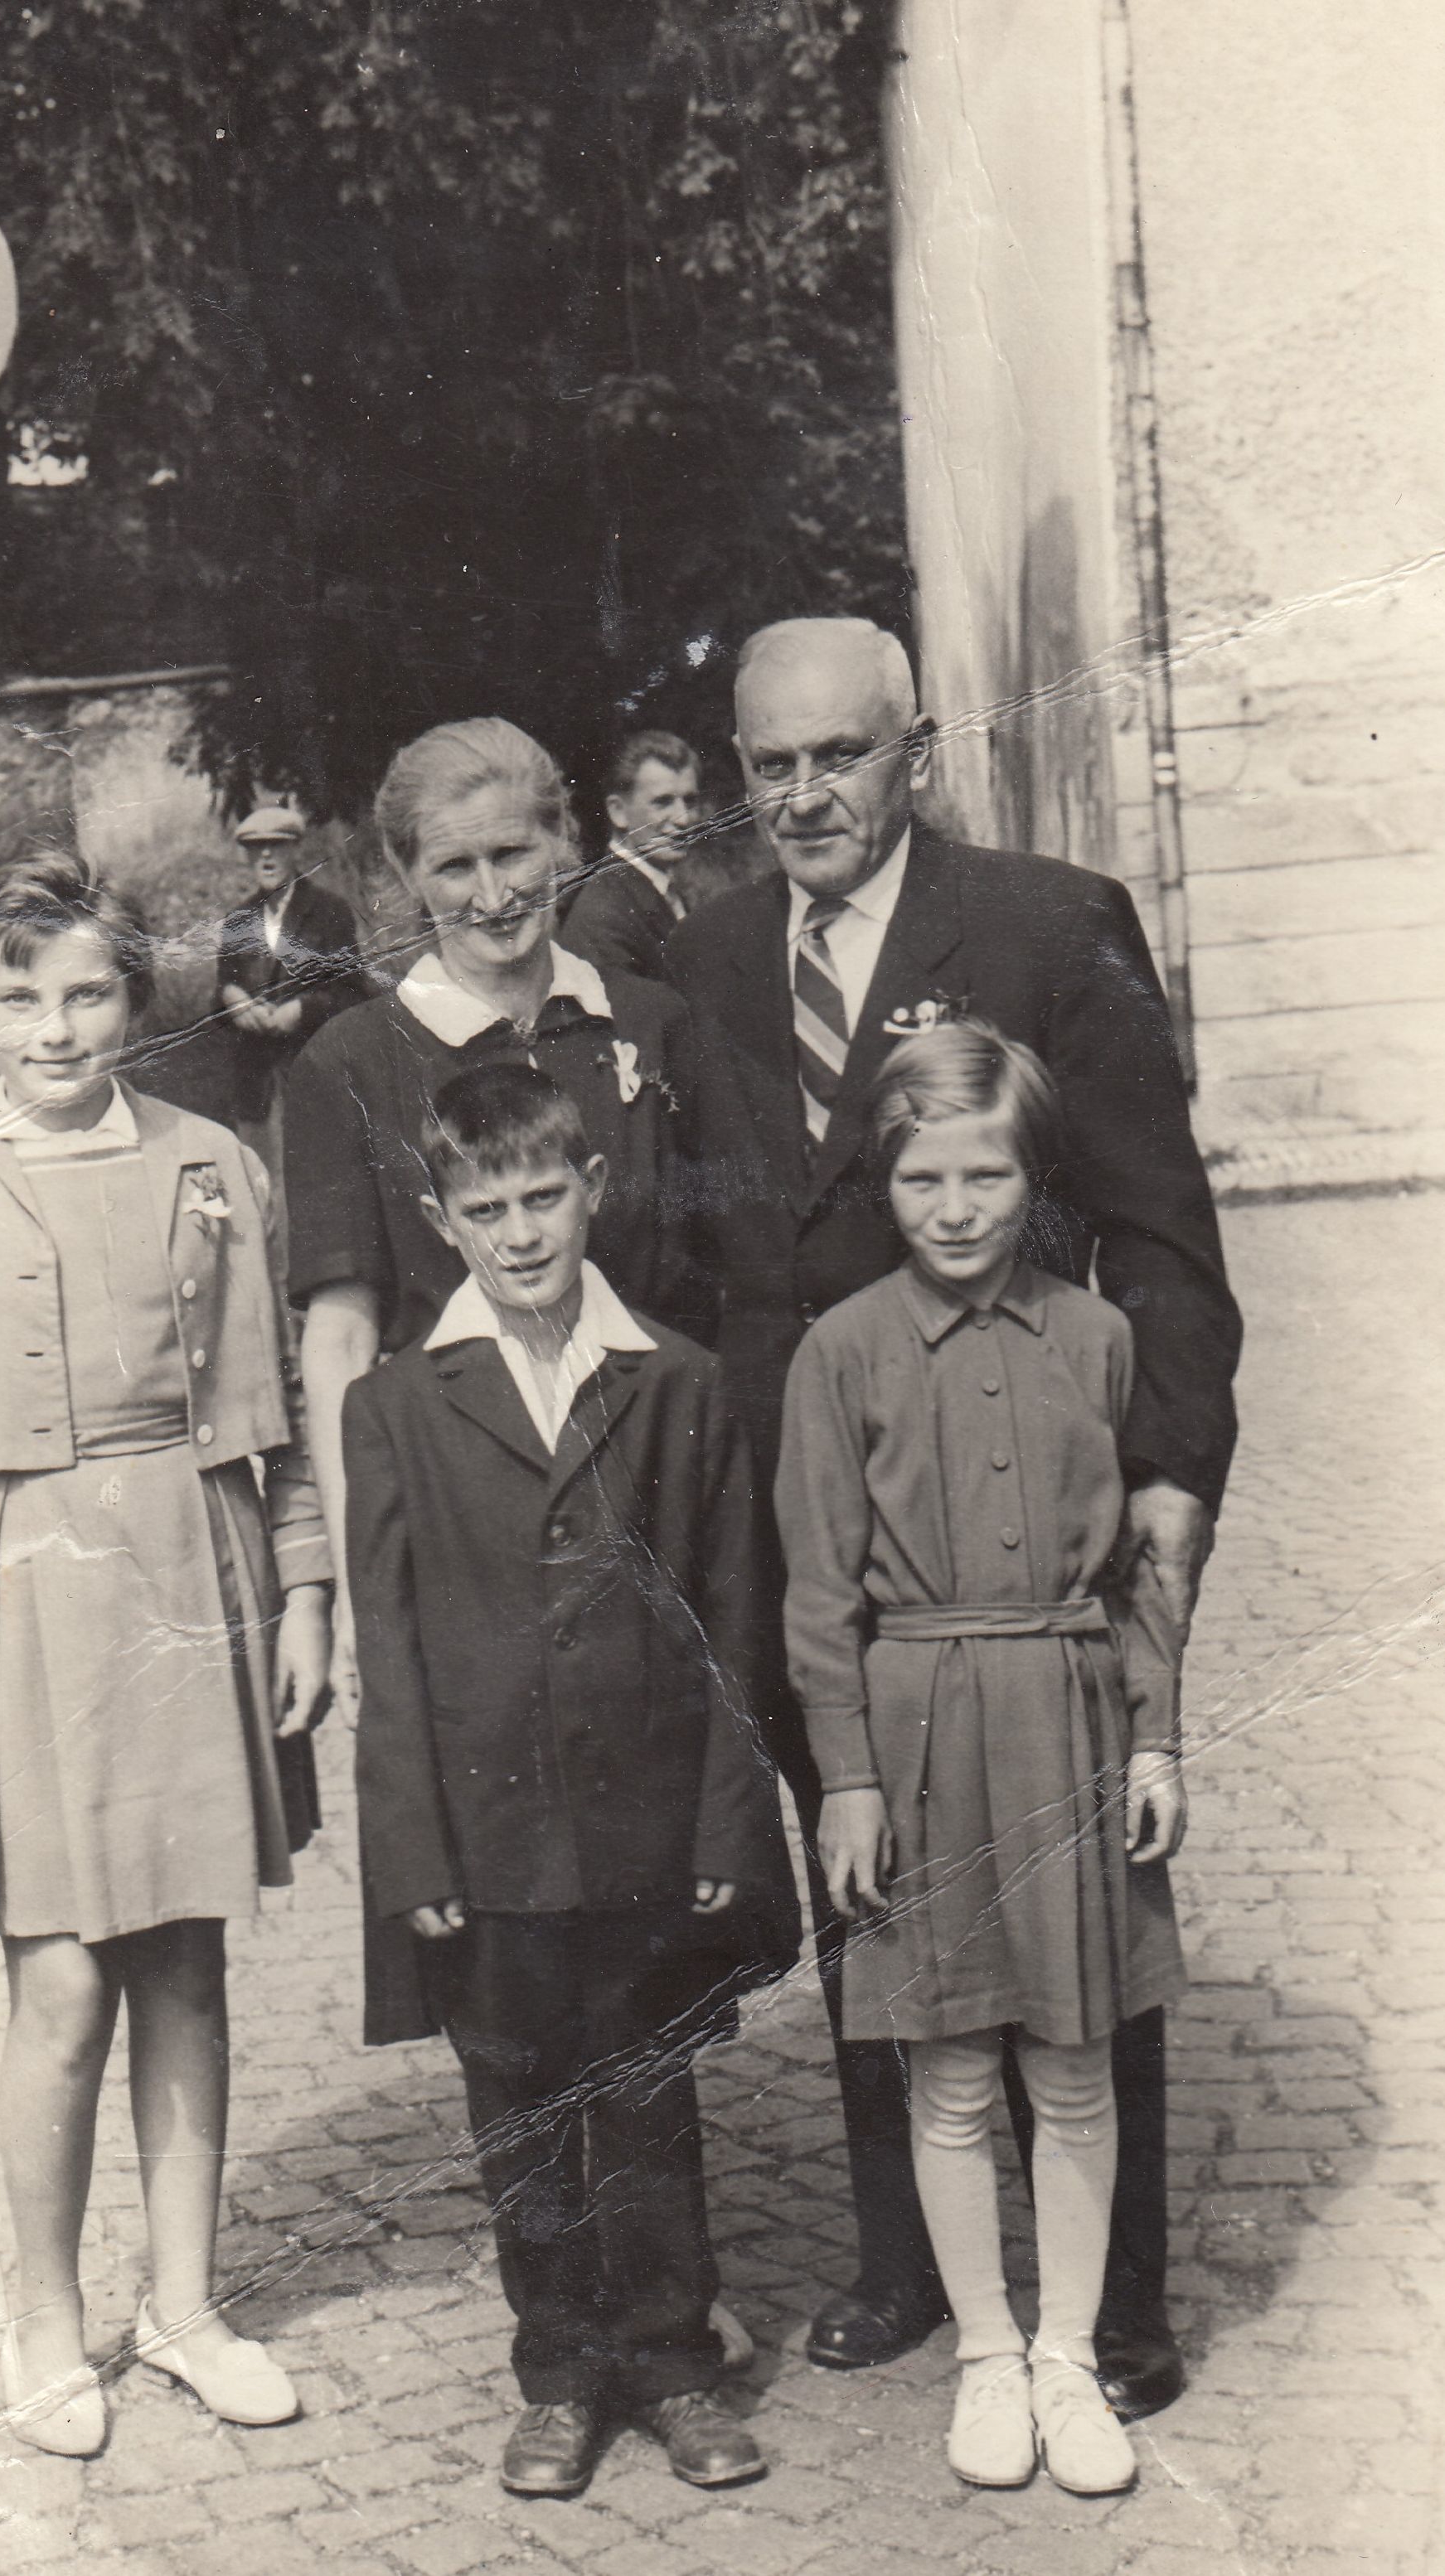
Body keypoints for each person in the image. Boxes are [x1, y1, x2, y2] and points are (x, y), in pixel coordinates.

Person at [665, 617, 1241, 2415]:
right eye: (772, 764)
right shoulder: (703, 954)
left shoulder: (1047, 925)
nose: (805, 794)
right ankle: (905, 2259)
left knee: (1083, 1895)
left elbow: (1161, 1233)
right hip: (810, 1519)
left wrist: (1171, 1476)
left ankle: (1116, 2299)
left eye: (840, 754)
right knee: (868, 1873)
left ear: (912, 754)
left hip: (1020, 1520)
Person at [0, 855, 332, 2457]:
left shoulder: (210, 1162)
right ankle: (44, 2318)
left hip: (191, 1571)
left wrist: (304, 1593)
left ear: (136, 999)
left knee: (186, 1958)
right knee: (57, 1980)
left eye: (89, 992)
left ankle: (183, 2304)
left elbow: (277, 1412)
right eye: (19, 996)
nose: (55, 1028)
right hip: (14, 1607)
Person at [346, 1061, 798, 2501]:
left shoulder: (677, 1380)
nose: (521, 1232)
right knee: (521, 2109)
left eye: (544, 1196)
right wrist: (412, 1850)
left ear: (594, 1188)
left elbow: (733, 1617)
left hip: (644, 1827)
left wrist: (727, 1819)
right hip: (487, 1839)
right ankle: (558, 2371)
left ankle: (670, 2359)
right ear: (442, 1220)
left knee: (647, 2093)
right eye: (486, 1210)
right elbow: (387, 1649)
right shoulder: (395, 1404)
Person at [776, 1020, 1187, 2496]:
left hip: (1068, 1718)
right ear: (883, 1183)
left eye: (986, 1175)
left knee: (1075, 2061)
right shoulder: (841, 1351)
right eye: (922, 1178)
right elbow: (817, 1593)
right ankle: (988, 2352)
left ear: (1035, 1177)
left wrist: (1155, 1739)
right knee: (949, 2066)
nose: (953, 1209)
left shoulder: (1097, 1337)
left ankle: (1068, 2353)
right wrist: (847, 1774)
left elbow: (1134, 1574)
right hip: (921, 1732)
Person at [284, 715, 710, 1721]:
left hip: (653, 1498)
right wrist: (357, 1580)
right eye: (454, 865)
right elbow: (339, 1341)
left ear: (563, 837)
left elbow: (711, 1289)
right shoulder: (349, 1063)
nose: (493, 895)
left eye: (514, 852)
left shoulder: (654, 1023)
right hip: (458, 1516)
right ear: (404, 872)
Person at [215, 792, 374, 1155]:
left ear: (295, 849)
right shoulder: (237, 920)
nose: (266, 856)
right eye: (256, 848)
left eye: (276, 846)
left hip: (312, 1073)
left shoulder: (329, 911)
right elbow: (221, 991)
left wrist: (303, 1010)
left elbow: (354, 993)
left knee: (317, 1169)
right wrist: (232, 1000)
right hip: (255, 1082)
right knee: (260, 1175)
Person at [560, 729, 701, 981]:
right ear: (619, 812)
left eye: (689, 801)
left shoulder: (666, 889)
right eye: (663, 802)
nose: (684, 819)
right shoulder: (603, 915)